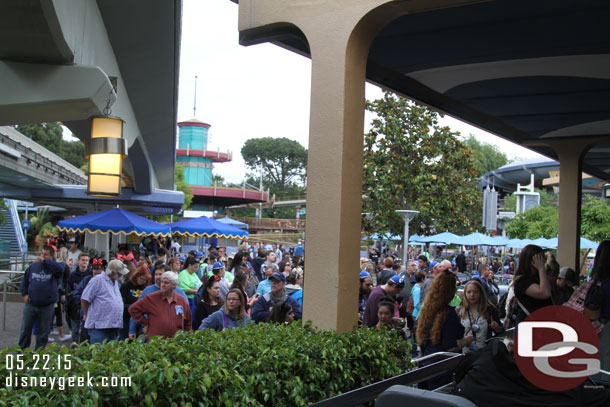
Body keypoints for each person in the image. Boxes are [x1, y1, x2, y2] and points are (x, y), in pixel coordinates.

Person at [416, 270, 473, 389]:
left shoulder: (427, 310)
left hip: (426, 365)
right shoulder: (449, 314)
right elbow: (450, 346)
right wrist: (467, 340)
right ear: (451, 291)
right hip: (442, 369)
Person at [18, 245, 64, 349]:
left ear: (51, 257)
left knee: (43, 332)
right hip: (31, 304)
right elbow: (24, 281)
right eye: (42, 254)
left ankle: (39, 354)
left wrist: (45, 262)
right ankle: (21, 353)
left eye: (45, 254)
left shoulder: (56, 268)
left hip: (47, 306)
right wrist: (25, 293)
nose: (42, 256)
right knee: (25, 330)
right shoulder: (34, 266)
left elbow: (59, 270)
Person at [128, 263, 187, 339]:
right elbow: (135, 310)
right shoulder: (147, 291)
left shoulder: (179, 293)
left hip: (173, 335)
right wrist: (132, 330)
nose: (158, 277)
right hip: (148, 332)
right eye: (156, 274)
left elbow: (186, 315)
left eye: (160, 274)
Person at [81, 259, 128, 344]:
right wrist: (87, 314)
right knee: (99, 352)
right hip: (99, 326)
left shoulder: (115, 283)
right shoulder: (97, 280)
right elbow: (85, 299)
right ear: (113, 272)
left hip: (113, 325)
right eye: (120, 273)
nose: (121, 276)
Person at [457, 279, 503, 353]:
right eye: (469, 292)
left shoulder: (489, 310)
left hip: (485, 354)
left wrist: (497, 327)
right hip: (465, 355)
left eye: (475, 292)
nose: (472, 295)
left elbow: (500, 332)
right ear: (465, 294)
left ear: (480, 293)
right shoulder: (460, 311)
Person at [513, 245, 552, 326]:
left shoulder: (539, 278)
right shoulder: (522, 280)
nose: (543, 261)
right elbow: (544, 293)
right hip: (528, 325)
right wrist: (541, 268)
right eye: (540, 258)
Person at [119, 264, 151, 340]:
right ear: (137, 276)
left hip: (139, 320)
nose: (143, 281)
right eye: (141, 279)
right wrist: (134, 307)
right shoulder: (126, 286)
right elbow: (121, 304)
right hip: (126, 318)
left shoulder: (146, 288)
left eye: (145, 280)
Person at [66, 252, 91, 343]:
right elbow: (69, 289)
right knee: (75, 329)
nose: (85, 262)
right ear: (79, 261)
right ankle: (74, 348)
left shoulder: (90, 275)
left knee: (85, 330)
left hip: (86, 306)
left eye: (87, 260)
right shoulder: (72, 275)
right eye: (83, 260)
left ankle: (83, 348)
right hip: (75, 305)